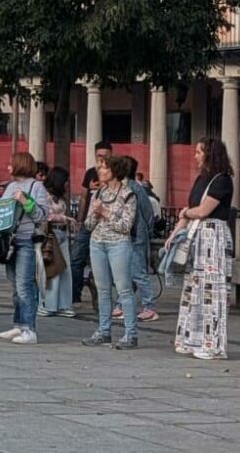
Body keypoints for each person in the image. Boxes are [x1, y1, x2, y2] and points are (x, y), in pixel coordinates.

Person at [169, 138, 234, 360]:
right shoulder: (201, 180)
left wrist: (185, 214)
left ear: (210, 154)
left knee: (212, 290)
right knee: (193, 288)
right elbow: (190, 210)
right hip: (197, 237)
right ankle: (190, 338)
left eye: (199, 152)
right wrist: (174, 234)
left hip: (212, 238)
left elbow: (202, 210)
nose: (195, 155)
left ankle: (212, 343)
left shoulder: (222, 181)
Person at [81, 153, 138, 349]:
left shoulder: (127, 194)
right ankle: (104, 330)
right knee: (102, 289)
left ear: (115, 171)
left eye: (104, 167)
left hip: (118, 244)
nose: (100, 170)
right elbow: (88, 224)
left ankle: (131, 333)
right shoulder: (98, 193)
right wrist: (96, 214)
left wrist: (105, 212)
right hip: (97, 243)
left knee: (123, 289)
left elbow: (125, 225)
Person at [0, 151, 50, 346]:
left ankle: (29, 329)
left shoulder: (37, 187)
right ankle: (18, 324)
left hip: (26, 240)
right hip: (10, 240)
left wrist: (26, 202)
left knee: (24, 285)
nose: (8, 167)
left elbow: (41, 216)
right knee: (14, 287)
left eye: (11, 164)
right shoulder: (10, 186)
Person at [119, 155, 158, 322]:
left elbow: (147, 211)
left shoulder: (135, 188)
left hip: (135, 235)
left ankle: (149, 305)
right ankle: (121, 304)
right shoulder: (125, 187)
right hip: (127, 235)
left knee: (138, 271)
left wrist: (148, 231)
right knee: (126, 272)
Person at [71, 141, 111, 306]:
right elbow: (83, 196)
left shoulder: (112, 174)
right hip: (88, 222)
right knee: (76, 258)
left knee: (100, 262)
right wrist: (80, 219)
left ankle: (100, 296)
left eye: (106, 156)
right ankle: (75, 293)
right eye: (99, 156)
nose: (102, 160)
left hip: (103, 224)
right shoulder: (90, 173)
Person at [38, 165, 76, 318]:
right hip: (50, 233)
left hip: (62, 234)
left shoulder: (59, 197)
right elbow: (46, 215)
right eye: (66, 180)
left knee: (65, 269)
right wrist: (65, 218)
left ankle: (64, 304)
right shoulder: (44, 194)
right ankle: (48, 303)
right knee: (52, 269)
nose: (67, 183)